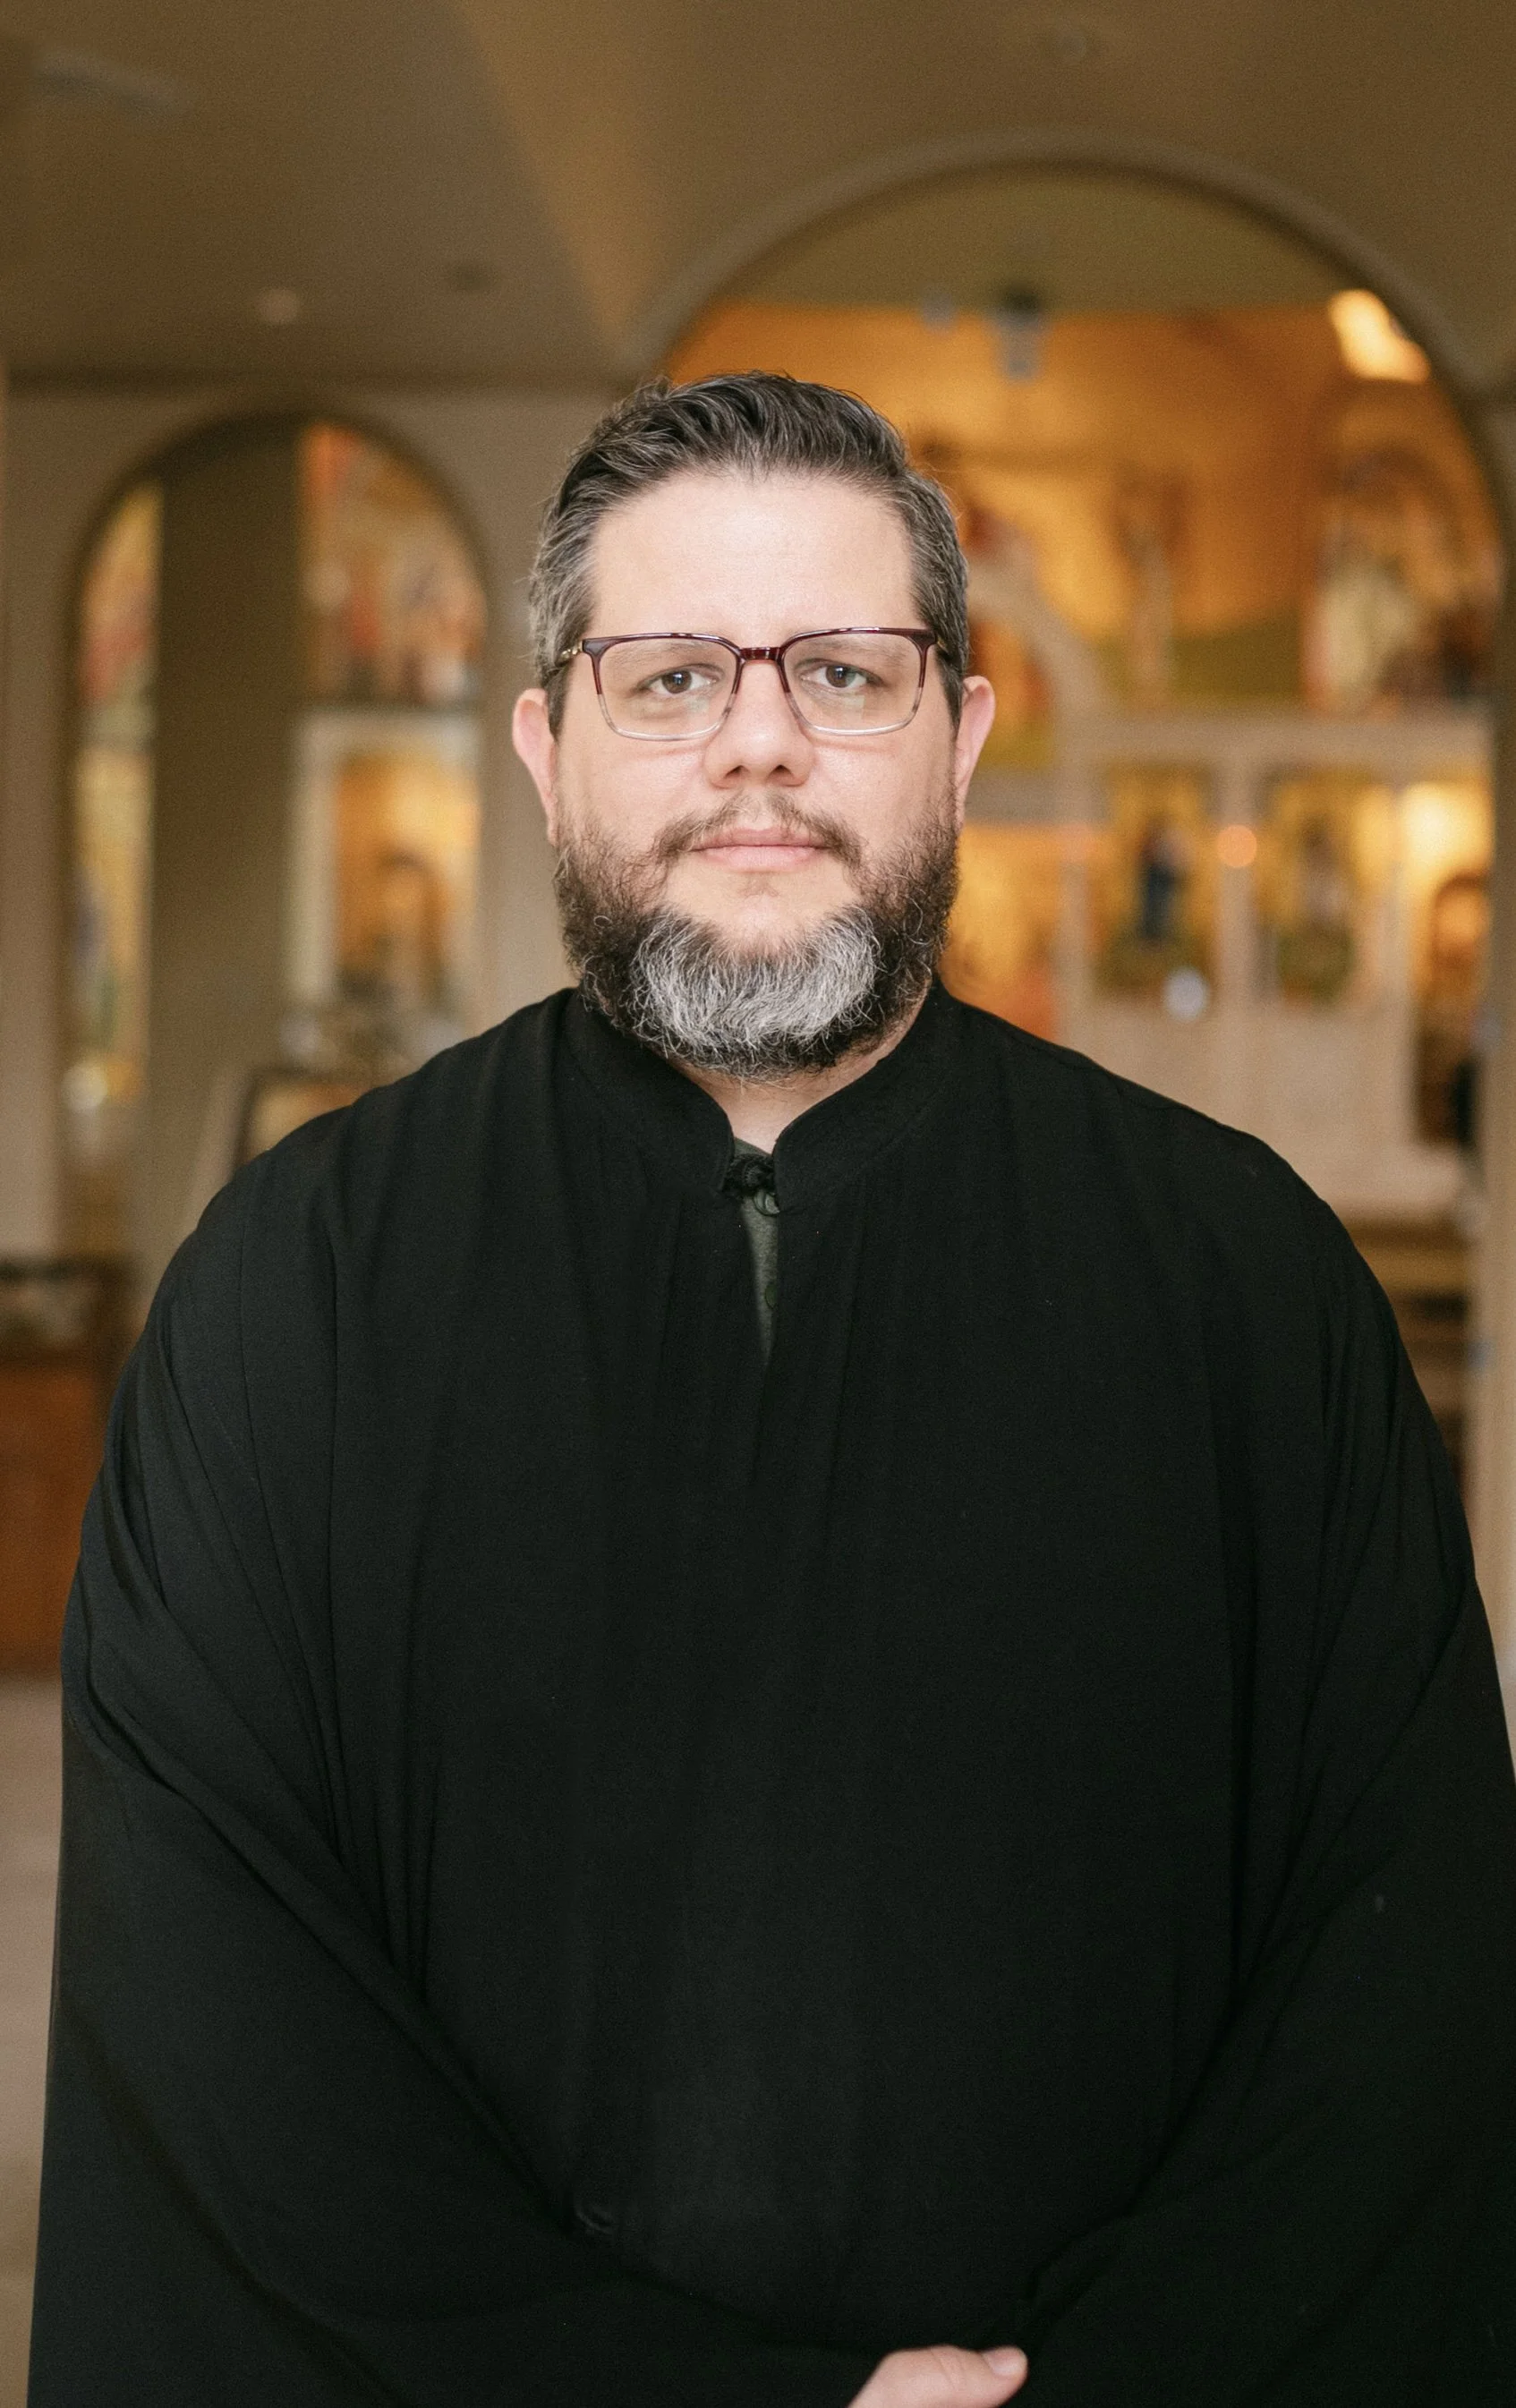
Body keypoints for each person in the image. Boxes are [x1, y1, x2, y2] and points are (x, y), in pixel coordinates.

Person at [30, 373, 1516, 2407]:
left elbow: (1399, 1992)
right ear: (545, 750)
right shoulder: (296, 1294)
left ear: (959, 741)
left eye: (841, 670)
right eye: (667, 678)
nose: (757, 740)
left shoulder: (1244, 1285)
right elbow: (221, 2036)